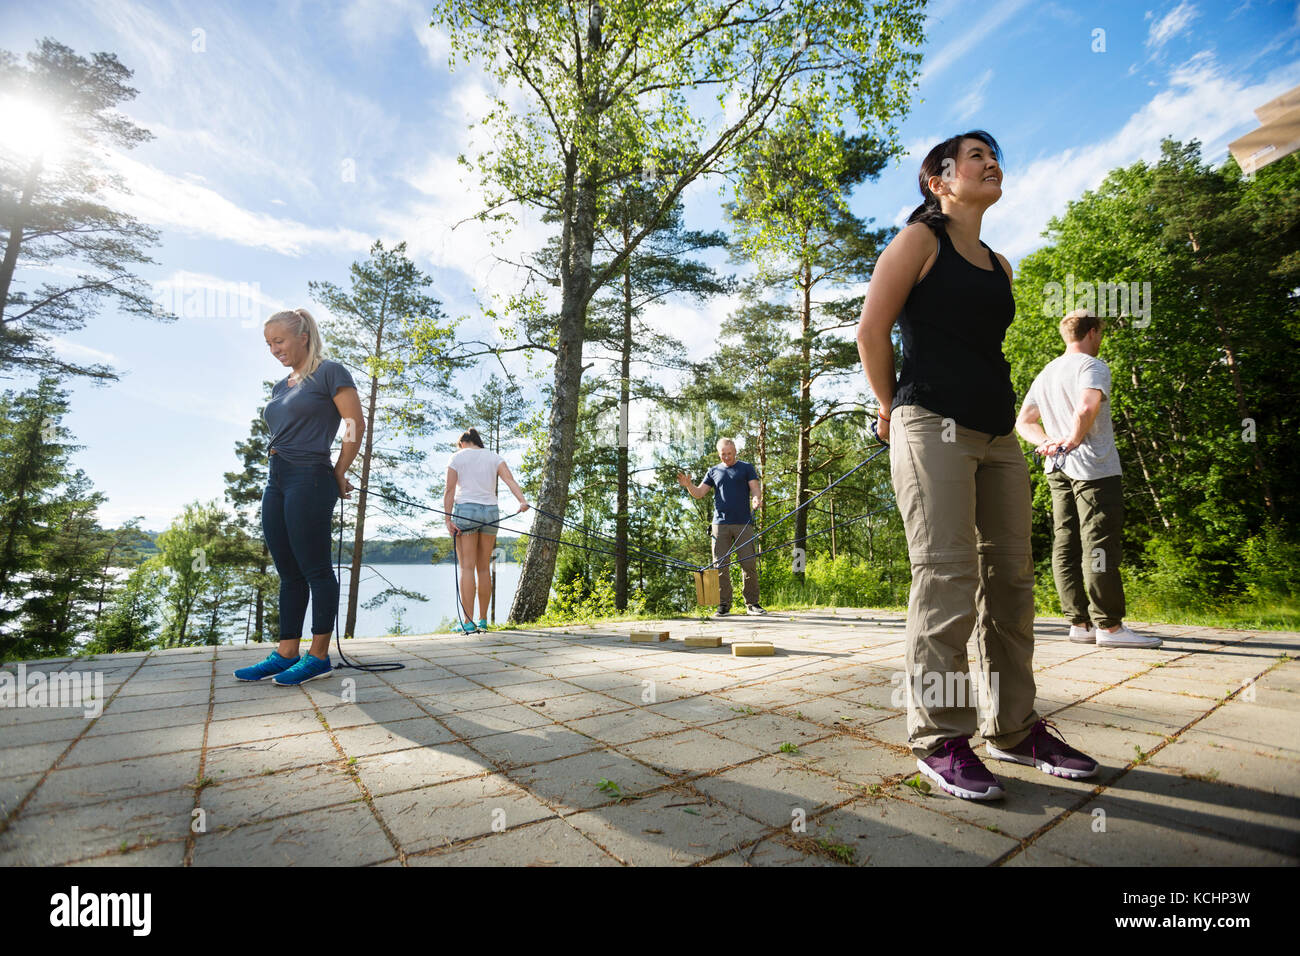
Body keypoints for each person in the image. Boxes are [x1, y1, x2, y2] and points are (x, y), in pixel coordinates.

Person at [855, 130, 1098, 800]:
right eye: (975, 157)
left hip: (996, 435)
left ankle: (1014, 728)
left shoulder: (999, 263)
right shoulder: (917, 242)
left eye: (996, 156)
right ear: (938, 179)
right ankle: (939, 740)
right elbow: (872, 331)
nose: (992, 164)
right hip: (929, 422)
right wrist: (886, 406)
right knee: (948, 577)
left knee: (1012, 582)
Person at [1016, 309, 1159, 649]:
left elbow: (1023, 421)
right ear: (1092, 332)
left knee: (1065, 541)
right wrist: (1075, 437)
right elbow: (1086, 407)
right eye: (1101, 333)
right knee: (1099, 543)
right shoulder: (1092, 367)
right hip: (1093, 468)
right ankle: (1109, 627)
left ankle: (1079, 623)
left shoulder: (1047, 373)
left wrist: (1046, 442)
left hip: (1057, 468)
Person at [235, 308, 363, 686]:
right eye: (268, 343)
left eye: (279, 340)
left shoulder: (330, 372)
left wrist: (339, 472)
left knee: (316, 569)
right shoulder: (281, 386)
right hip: (277, 479)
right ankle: (286, 651)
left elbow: (355, 424)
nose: (274, 349)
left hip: (310, 476)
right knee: (288, 572)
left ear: (303, 336)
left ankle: (318, 655)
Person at [443, 427, 529, 633]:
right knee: (483, 568)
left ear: (463, 442)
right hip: (491, 512)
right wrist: (522, 500)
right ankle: (482, 620)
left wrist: (447, 519)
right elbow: (509, 480)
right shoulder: (494, 457)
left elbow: (450, 490)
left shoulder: (457, 457)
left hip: (466, 511)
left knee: (466, 567)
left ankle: (468, 622)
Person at [677, 439, 765, 616]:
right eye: (722, 454)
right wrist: (688, 486)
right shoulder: (713, 471)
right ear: (719, 454)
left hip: (743, 523)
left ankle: (752, 604)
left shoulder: (746, 468)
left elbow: (755, 489)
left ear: (735, 452)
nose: (726, 457)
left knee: (748, 563)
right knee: (720, 565)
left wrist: (756, 498)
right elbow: (700, 493)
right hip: (720, 524)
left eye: (729, 453)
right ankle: (724, 605)